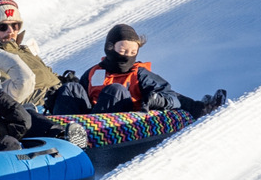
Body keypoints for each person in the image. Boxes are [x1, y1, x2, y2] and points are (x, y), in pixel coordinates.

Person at [51, 24, 227, 119]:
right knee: (70, 88)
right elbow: (78, 97)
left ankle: (203, 107)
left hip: (116, 124)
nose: (127, 56)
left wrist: (158, 100)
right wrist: (59, 95)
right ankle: (60, 129)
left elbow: (172, 96)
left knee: (115, 90)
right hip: (82, 122)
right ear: (110, 47)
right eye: (123, 51)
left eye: (133, 52)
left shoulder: (139, 74)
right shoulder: (94, 72)